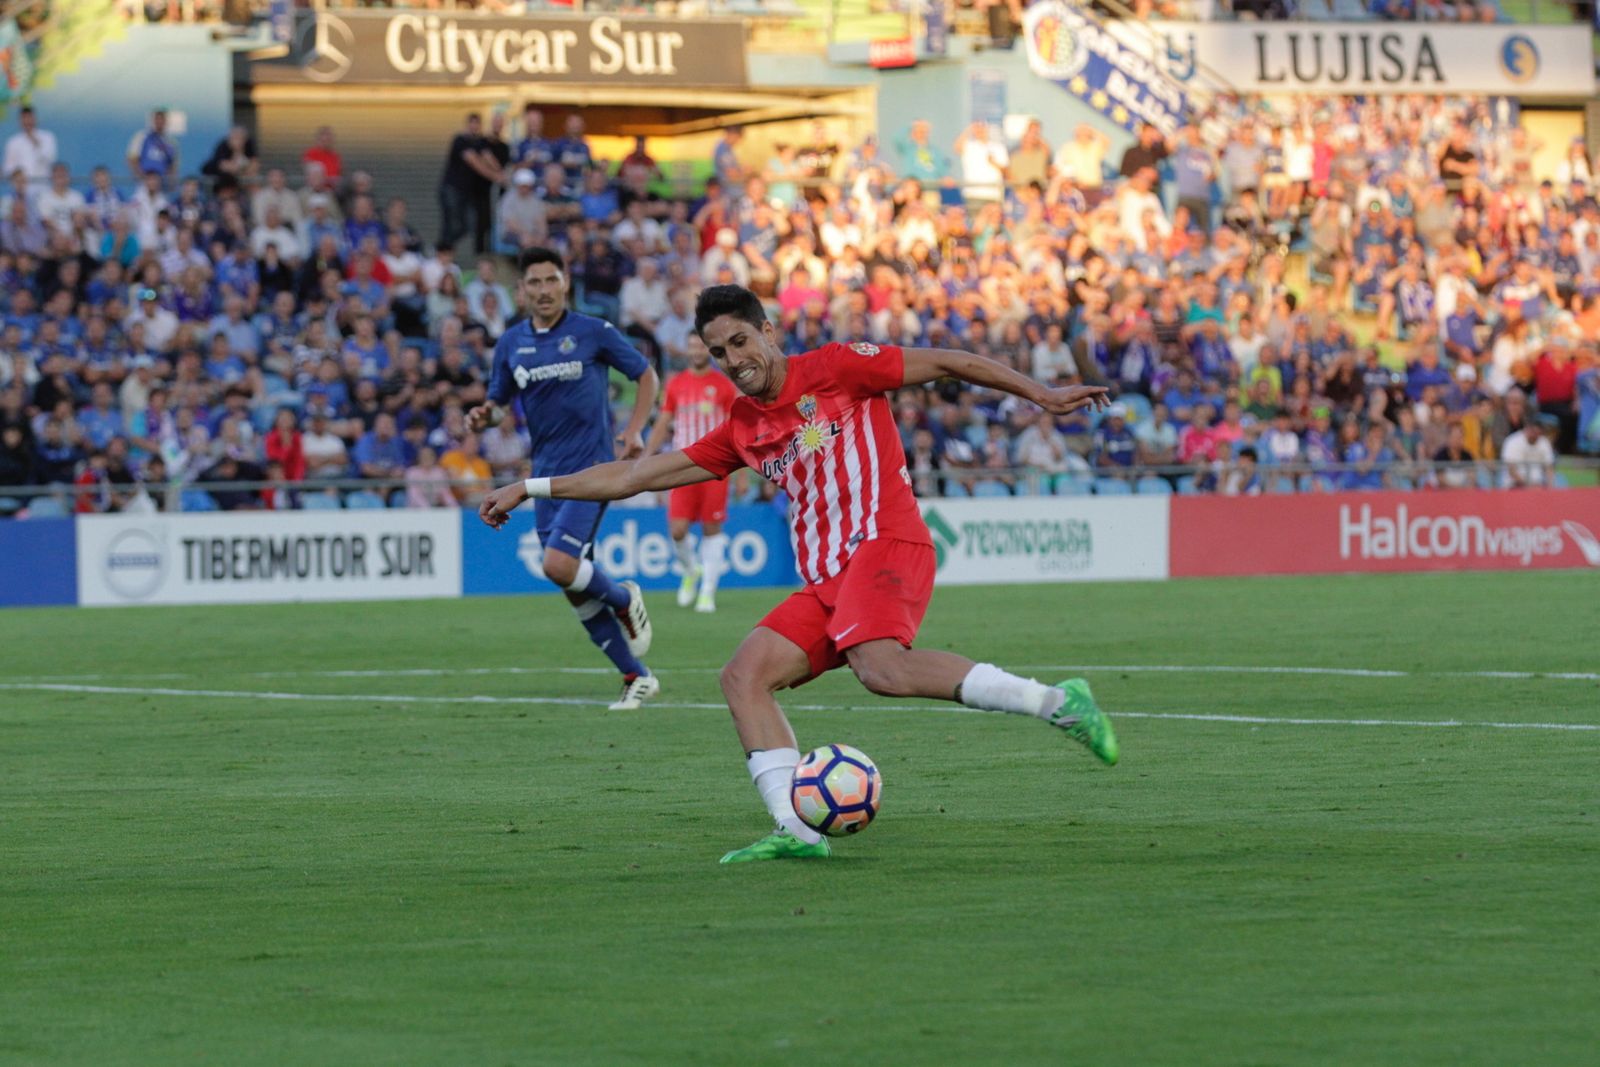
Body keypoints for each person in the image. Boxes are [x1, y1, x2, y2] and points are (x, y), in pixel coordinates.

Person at [477, 284, 1119, 864]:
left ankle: (1060, 703)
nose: (733, 358)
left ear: (769, 332)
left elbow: (950, 361)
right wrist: (531, 487)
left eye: (740, 341)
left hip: (886, 541)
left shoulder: (839, 367)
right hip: (828, 578)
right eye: (718, 350)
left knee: (881, 668)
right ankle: (795, 827)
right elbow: (633, 475)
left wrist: (1043, 394)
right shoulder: (741, 428)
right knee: (742, 676)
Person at [466, 247, 661, 710]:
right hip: (545, 476)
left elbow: (646, 375)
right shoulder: (512, 343)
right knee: (571, 584)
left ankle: (623, 596)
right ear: (522, 291)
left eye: (551, 280)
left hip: (593, 470)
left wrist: (633, 430)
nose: (543, 290)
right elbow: (497, 403)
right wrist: (483, 417)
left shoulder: (592, 332)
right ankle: (637, 675)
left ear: (565, 282)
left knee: (557, 565)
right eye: (534, 283)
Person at [643, 334, 739, 613]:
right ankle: (691, 571)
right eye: (692, 346)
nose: (696, 350)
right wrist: (648, 455)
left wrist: (743, 473)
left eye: (701, 346)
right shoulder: (677, 384)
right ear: (686, 349)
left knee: (712, 529)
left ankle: (707, 592)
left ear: (709, 349)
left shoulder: (723, 385)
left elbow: (736, 426)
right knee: (677, 530)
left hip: (715, 466)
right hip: (682, 465)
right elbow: (664, 420)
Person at [3, 106, 58, 191]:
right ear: (20, 121)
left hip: (43, 186)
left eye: (30, 117)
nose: (27, 121)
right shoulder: (13, 142)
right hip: (21, 189)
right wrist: (17, 174)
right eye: (24, 118)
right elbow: (8, 167)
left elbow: (51, 160)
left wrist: (36, 143)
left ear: (35, 119)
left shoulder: (47, 137)